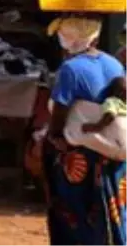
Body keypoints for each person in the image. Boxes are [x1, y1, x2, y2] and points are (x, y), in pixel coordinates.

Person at [44, 15, 127, 244]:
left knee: (76, 215)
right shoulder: (113, 63)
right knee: (114, 214)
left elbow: (60, 110)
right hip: (115, 156)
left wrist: (54, 136)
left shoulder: (70, 69)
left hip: (83, 156)